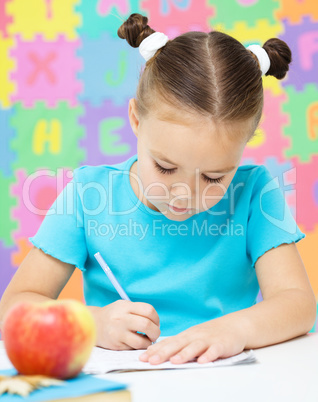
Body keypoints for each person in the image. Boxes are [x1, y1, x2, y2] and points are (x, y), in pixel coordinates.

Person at [0, 13, 316, 366]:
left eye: (213, 177)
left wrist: (235, 330)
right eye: (165, 167)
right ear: (136, 120)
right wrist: (92, 323)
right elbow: (15, 307)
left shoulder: (255, 192)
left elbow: (298, 304)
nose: (183, 194)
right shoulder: (88, 195)